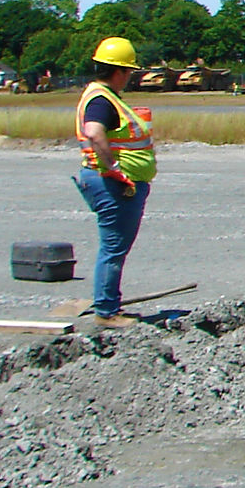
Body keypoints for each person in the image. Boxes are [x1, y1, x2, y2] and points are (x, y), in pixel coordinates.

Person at [73, 36, 156, 328]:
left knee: (115, 246)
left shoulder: (104, 96)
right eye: (129, 72)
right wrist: (115, 169)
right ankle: (107, 311)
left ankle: (109, 305)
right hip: (113, 184)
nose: (130, 77)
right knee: (114, 247)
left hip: (113, 182)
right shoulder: (101, 99)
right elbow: (95, 132)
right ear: (119, 71)